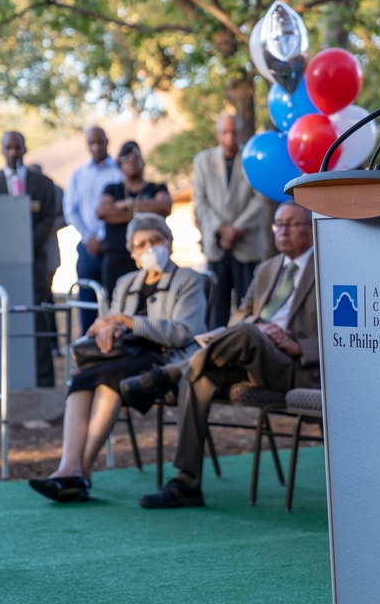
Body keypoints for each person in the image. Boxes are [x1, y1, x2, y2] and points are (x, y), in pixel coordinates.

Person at [120, 200, 318, 509]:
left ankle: (171, 373)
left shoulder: (328, 270)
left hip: (292, 364)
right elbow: (240, 316)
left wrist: (299, 346)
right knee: (203, 374)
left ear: (313, 229)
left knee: (243, 334)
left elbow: (344, 333)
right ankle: (187, 482)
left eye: (292, 224)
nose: (283, 231)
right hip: (249, 353)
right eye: (278, 225)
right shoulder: (268, 268)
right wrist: (259, 327)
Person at [27, 213, 207, 502]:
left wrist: (126, 321)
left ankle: (80, 473)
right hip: (125, 358)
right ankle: (68, 468)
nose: (149, 248)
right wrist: (108, 329)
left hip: (167, 362)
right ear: (133, 254)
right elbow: (111, 322)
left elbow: (183, 333)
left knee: (110, 378)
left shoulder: (188, 280)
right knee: (82, 379)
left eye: (155, 241)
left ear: (169, 243)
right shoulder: (126, 282)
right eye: (140, 244)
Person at [0, 132, 59, 387]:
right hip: (1, 264)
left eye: (18, 147)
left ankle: (43, 380)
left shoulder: (43, 184)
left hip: (35, 263)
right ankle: (4, 380)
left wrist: (26, 245)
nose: (13, 152)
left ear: (25, 149)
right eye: (8, 147)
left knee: (38, 317)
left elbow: (49, 217)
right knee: (5, 317)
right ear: (2, 150)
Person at [194, 114, 264, 327]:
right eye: (225, 132)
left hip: (246, 243)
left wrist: (235, 229)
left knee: (248, 306)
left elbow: (259, 199)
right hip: (216, 246)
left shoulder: (253, 158)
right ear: (218, 134)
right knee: (216, 308)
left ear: (240, 133)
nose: (229, 137)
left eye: (234, 132)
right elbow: (200, 201)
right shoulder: (203, 161)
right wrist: (220, 229)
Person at [97, 141, 172, 298]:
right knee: (117, 304)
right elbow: (103, 211)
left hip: (150, 259)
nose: (131, 161)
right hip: (116, 258)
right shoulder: (112, 189)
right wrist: (142, 214)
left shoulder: (156, 188)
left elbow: (164, 206)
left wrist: (126, 205)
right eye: (125, 158)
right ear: (119, 164)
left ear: (143, 161)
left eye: (135, 157)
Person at [64, 126, 121, 331]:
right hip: (87, 245)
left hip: (114, 244)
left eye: (100, 141)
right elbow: (70, 209)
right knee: (87, 299)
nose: (96, 146)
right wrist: (89, 236)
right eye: (92, 143)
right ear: (87, 145)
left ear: (107, 141)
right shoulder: (78, 174)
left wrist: (103, 237)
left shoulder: (119, 171)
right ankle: (89, 345)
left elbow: (120, 210)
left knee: (117, 297)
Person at [28, 162, 67, 357]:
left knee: (46, 298)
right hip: (26, 253)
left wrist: (47, 226)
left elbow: (64, 216)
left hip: (48, 250)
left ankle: (52, 343)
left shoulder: (55, 190)